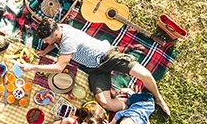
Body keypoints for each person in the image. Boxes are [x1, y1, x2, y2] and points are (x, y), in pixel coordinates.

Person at [21, 18, 171, 116]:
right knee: (106, 104)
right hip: (94, 69)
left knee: (145, 75)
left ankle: (158, 99)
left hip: (108, 56)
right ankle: (135, 108)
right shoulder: (59, 29)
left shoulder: (68, 41)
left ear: (55, 33)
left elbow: (59, 67)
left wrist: (31, 67)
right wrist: (45, 51)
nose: (45, 41)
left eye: (46, 39)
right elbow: (54, 43)